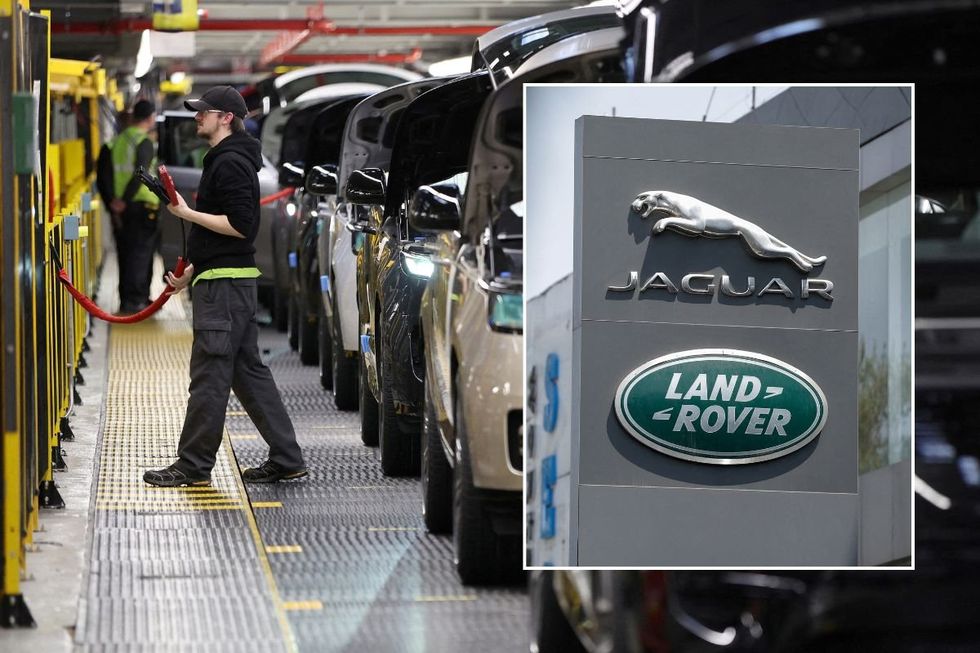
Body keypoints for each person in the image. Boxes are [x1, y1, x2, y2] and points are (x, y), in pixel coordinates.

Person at [143, 85, 308, 487]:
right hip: (226, 281)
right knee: (246, 372)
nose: (198, 117)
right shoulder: (226, 159)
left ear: (226, 118)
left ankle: (193, 465)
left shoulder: (230, 163)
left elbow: (239, 226)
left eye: (205, 112)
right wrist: (191, 271)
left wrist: (186, 212)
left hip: (225, 289)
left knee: (210, 374)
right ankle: (287, 457)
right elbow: (222, 235)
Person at [110, 99, 160, 313]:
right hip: (141, 205)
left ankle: (127, 298)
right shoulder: (144, 141)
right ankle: (137, 300)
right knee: (142, 254)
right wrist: (125, 199)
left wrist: (116, 201)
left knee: (126, 253)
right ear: (150, 118)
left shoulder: (119, 140)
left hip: (123, 208)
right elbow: (140, 174)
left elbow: (111, 173)